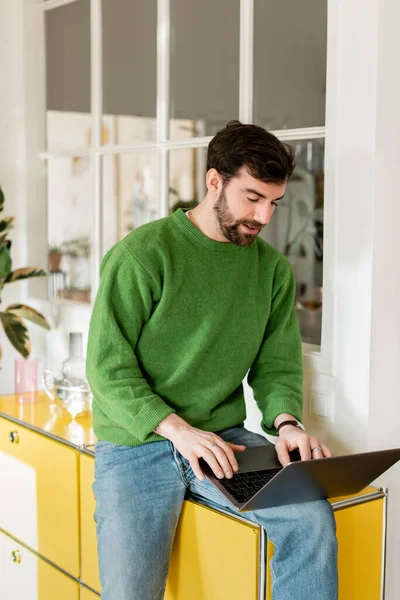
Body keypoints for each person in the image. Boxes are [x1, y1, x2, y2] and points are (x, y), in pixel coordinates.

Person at [86, 120, 338, 600]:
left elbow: (277, 363)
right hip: (137, 445)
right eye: (252, 197)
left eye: (273, 202)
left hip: (226, 444)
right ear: (214, 180)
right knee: (130, 592)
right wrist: (177, 429)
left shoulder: (271, 271)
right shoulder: (143, 255)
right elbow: (107, 368)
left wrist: (286, 424)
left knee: (311, 518)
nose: (264, 216)